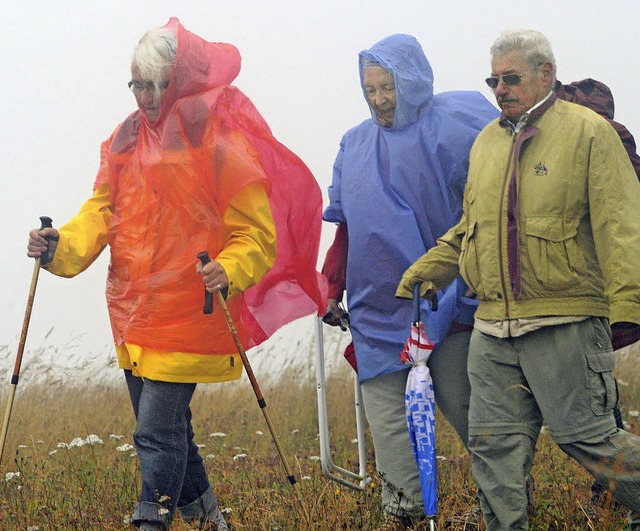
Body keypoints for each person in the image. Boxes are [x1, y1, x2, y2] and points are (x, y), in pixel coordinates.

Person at [27, 18, 325, 531]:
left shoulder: (219, 143)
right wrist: (58, 248)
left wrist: (228, 268)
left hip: (192, 311)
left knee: (156, 433)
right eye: (136, 83)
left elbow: (257, 235)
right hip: (133, 312)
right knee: (172, 430)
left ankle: (151, 522)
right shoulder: (123, 140)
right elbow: (100, 212)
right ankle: (209, 521)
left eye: (154, 84)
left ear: (179, 81)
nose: (143, 95)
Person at [397, 28, 640, 530]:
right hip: (492, 328)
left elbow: (623, 225)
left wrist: (628, 307)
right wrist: (432, 267)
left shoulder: (588, 133)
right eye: (494, 80)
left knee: (588, 439)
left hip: (566, 321)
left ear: (545, 74)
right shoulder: (486, 142)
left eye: (511, 78)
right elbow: (472, 228)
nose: (500, 89)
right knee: (492, 450)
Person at [321, 33, 498, 529]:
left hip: (450, 300)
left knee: (469, 411)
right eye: (370, 88)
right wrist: (329, 287)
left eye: (388, 88)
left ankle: (505, 505)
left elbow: (490, 207)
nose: (378, 99)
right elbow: (348, 228)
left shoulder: (460, 125)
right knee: (388, 418)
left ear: (413, 81)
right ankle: (404, 513)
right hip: (378, 307)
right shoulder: (355, 145)